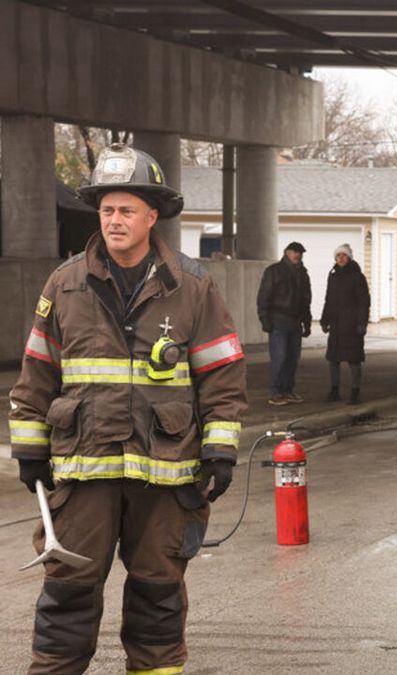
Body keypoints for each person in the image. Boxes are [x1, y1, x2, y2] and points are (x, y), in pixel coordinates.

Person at [9, 144, 247, 674]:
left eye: (126, 211)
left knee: (157, 600)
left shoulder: (193, 287)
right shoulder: (64, 284)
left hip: (164, 477)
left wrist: (220, 449)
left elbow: (222, 376)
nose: (114, 221)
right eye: (107, 210)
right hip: (83, 473)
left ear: (151, 216)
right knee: (66, 597)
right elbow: (37, 373)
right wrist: (29, 450)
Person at [257, 241, 312, 405]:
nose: (297, 255)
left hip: (295, 322)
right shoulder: (274, 271)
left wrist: (307, 322)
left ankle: (287, 390)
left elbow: (306, 300)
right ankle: (275, 392)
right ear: (286, 252)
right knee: (279, 358)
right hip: (278, 321)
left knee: (292, 359)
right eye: (294, 251)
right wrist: (265, 319)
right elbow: (263, 297)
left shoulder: (303, 273)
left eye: (300, 252)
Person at [320, 243, 370, 404]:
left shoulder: (357, 276)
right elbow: (329, 299)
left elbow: (364, 302)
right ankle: (334, 390)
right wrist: (325, 319)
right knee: (333, 359)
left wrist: (362, 323)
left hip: (352, 324)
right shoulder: (333, 275)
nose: (341, 258)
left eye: (344, 255)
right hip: (335, 324)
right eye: (338, 256)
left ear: (349, 257)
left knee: (353, 359)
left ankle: (355, 391)